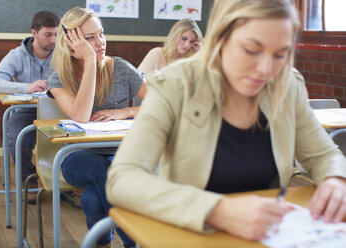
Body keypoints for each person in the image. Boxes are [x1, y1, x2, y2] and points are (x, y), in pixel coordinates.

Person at [107, 0, 346, 242]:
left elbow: (323, 155)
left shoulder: (287, 85)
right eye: (251, 50)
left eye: (280, 54)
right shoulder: (175, 85)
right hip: (192, 235)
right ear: (221, 38)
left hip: (269, 234)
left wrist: (335, 180)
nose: (266, 69)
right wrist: (216, 210)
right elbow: (122, 178)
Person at [47, 7, 146, 248]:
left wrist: (127, 111)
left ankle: (102, 244)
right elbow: (81, 116)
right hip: (76, 157)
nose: (100, 42)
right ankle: (137, 242)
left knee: (92, 199)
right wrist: (91, 60)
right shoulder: (59, 77)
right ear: (71, 43)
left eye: (101, 34)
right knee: (103, 170)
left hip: (120, 153)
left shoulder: (121, 68)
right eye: (89, 38)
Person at [0, 11, 59, 200]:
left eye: (57, 34)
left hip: (56, 109)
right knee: (18, 137)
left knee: (75, 134)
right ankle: (29, 179)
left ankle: (64, 180)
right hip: (26, 110)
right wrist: (27, 87)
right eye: (48, 35)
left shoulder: (61, 54)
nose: (54, 39)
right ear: (34, 33)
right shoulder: (17, 55)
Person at [133, 18, 202, 106]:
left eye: (191, 41)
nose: (187, 45)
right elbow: (136, 82)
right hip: (155, 107)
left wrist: (201, 53)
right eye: (184, 39)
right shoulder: (157, 54)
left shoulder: (192, 59)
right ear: (175, 36)